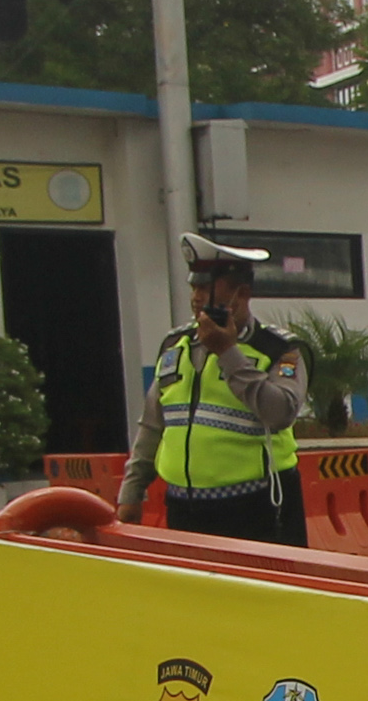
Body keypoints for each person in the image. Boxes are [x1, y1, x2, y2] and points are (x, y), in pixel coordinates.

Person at [121, 233, 308, 544]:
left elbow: (281, 413)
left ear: (241, 294)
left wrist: (227, 353)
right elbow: (153, 425)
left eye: (206, 288)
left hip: (256, 507)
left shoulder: (279, 350)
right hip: (184, 508)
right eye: (194, 287)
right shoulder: (175, 346)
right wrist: (132, 490)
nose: (196, 297)